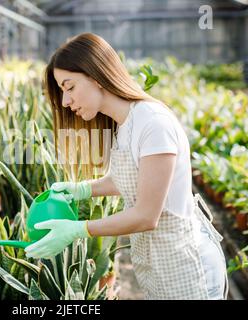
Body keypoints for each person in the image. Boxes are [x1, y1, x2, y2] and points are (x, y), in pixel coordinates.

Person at [24, 33, 228, 300]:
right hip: (160, 270)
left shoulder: (153, 123)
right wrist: (81, 189)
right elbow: (133, 178)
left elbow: (146, 215)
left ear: (96, 76)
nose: (65, 101)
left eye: (69, 87)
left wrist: (78, 229)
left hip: (189, 271)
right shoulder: (126, 122)